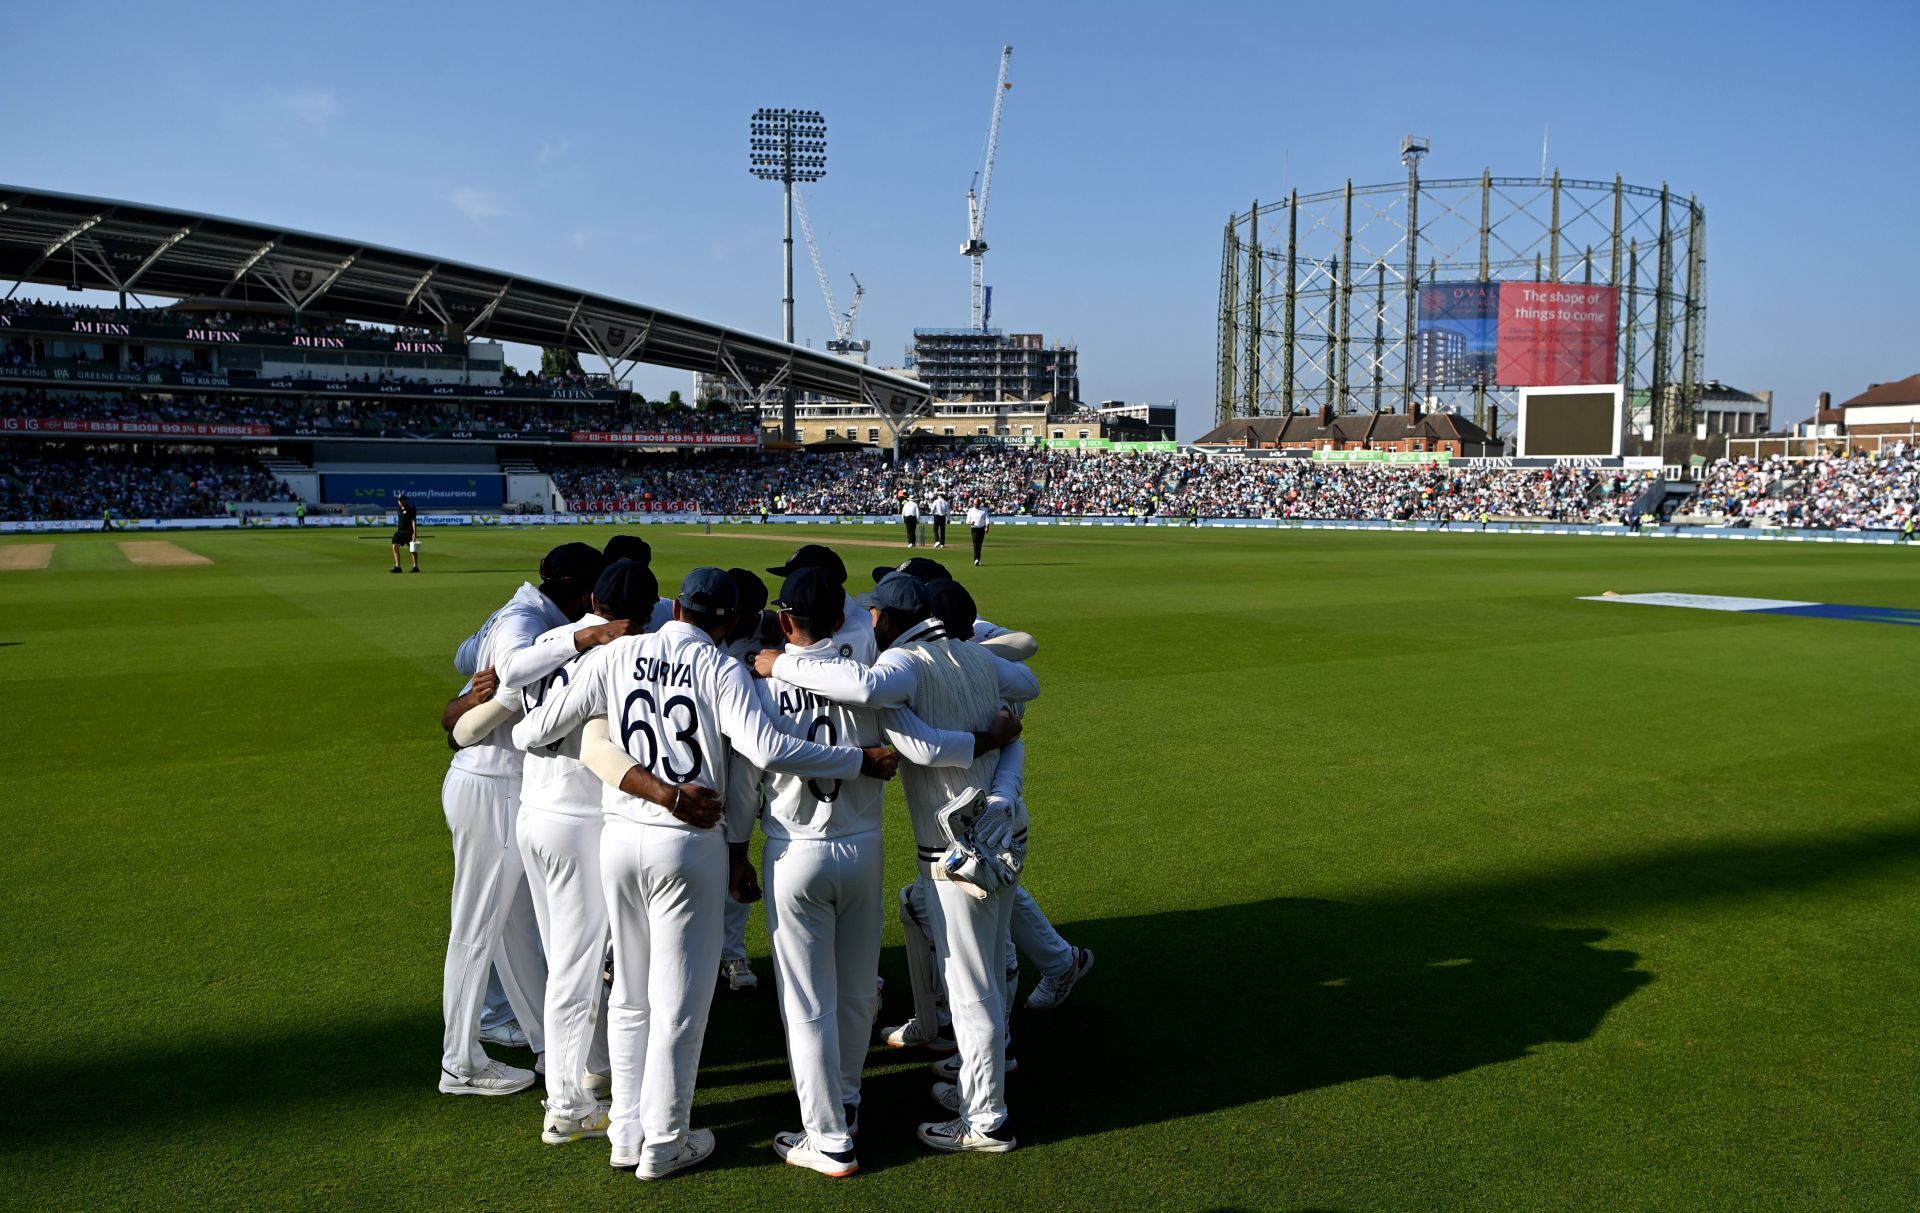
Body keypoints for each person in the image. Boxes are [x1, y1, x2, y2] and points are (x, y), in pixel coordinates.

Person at [512, 567, 899, 1181]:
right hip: (688, 842)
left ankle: (625, 1134)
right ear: (731, 622)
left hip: (619, 834)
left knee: (631, 994)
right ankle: (664, 1143)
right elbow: (768, 750)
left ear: (678, 606)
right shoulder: (721, 669)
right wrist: (855, 759)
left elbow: (536, 728)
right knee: (680, 1003)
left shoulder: (621, 652)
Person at [728, 567, 1023, 1177]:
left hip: (894, 846)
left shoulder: (892, 670)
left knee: (943, 992)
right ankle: (916, 1094)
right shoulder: (972, 659)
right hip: (970, 837)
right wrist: (996, 766)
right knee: (906, 983)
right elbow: (1024, 692)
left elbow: (894, 726)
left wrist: (774, 663)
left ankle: (975, 1117)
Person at [448, 558, 650, 1143]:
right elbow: (596, 748)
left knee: (569, 953)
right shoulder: (612, 653)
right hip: (579, 820)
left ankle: (590, 1069)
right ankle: (565, 1103)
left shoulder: (547, 641)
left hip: (532, 814)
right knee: (580, 962)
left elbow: (468, 726)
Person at [434, 542, 608, 1098]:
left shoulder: (532, 613)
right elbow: (496, 676)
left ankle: (544, 1042)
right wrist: (578, 638)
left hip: (501, 781)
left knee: (513, 928)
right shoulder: (528, 619)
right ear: (583, 591)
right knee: (477, 926)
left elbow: (468, 667)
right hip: (490, 781)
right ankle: (459, 1062)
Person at [391, 493, 420, 573]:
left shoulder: (411, 509)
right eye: (398, 500)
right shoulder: (398, 509)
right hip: (400, 531)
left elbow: (413, 521)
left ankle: (415, 567)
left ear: (405, 500)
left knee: (412, 549)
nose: (399, 501)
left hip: (409, 532)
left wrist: (414, 533)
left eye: (401, 500)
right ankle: (398, 567)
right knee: (394, 547)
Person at [966, 500, 991, 566]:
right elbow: (967, 521)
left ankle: (978, 559)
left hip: (981, 528)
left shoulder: (984, 510)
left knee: (979, 544)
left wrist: (987, 527)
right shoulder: (971, 510)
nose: (976, 505)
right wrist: (971, 523)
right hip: (974, 529)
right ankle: (976, 559)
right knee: (975, 544)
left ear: (979, 504)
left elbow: (987, 519)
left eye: (977, 504)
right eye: (975, 504)